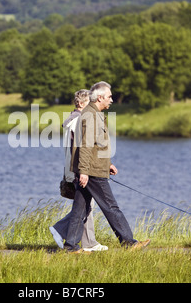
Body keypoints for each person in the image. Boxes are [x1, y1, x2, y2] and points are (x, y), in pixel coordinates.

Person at [64, 81, 151, 252]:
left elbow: (97, 145)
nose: (112, 99)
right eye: (110, 96)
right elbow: (86, 146)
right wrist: (84, 172)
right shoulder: (90, 115)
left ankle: (70, 247)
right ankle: (129, 243)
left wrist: (108, 163)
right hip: (92, 172)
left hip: (93, 168)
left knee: (79, 210)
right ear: (100, 97)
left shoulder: (94, 114)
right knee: (111, 207)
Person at [50, 89, 108, 252]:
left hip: (73, 169)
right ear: (82, 103)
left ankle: (89, 243)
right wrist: (86, 169)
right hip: (79, 170)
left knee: (85, 205)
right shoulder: (78, 121)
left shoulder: (73, 120)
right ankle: (60, 229)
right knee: (83, 207)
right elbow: (83, 148)